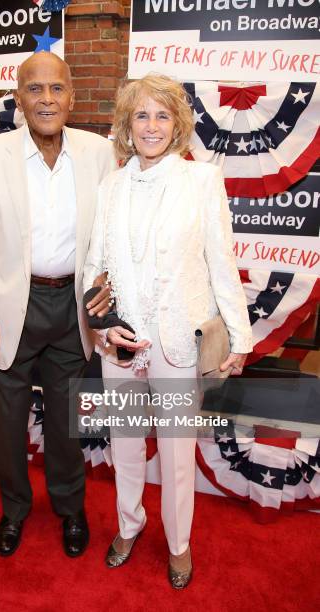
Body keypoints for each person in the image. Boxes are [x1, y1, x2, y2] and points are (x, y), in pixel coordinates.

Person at [83, 74, 253, 589]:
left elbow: (221, 262)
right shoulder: (110, 186)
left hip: (178, 345)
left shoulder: (202, 181)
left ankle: (178, 543)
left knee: (178, 453)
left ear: (177, 124)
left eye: (162, 115)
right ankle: (128, 524)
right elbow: (96, 264)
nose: (151, 126)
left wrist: (240, 338)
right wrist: (100, 328)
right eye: (141, 115)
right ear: (126, 125)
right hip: (121, 346)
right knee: (126, 444)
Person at [0, 52, 114, 559]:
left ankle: (70, 509)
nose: (47, 99)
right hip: (9, 312)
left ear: (72, 95)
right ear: (18, 96)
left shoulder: (100, 153)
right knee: (8, 422)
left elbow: (111, 233)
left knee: (68, 423)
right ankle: (15, 510)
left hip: (72, 308)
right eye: (35, 89)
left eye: (57, 89)